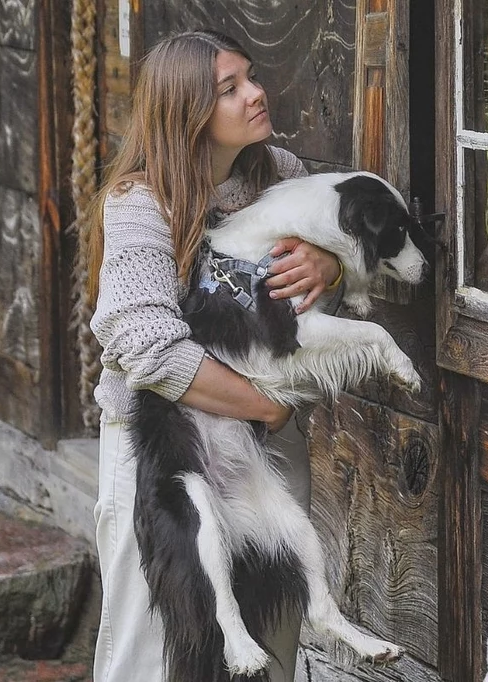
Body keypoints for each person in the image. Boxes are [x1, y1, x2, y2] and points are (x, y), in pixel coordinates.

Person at [84, 30, 344, 682]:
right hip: (165, 456)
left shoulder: (283, 177)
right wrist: (264, 404)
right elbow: (146, 347)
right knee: (154, 649)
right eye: (230, 89)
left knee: (266, 639)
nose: (256, 93)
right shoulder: (143, 204)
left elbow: (346, 261)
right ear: (187, 113)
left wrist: (330, 262)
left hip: (264, 456)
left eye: (249, 77)